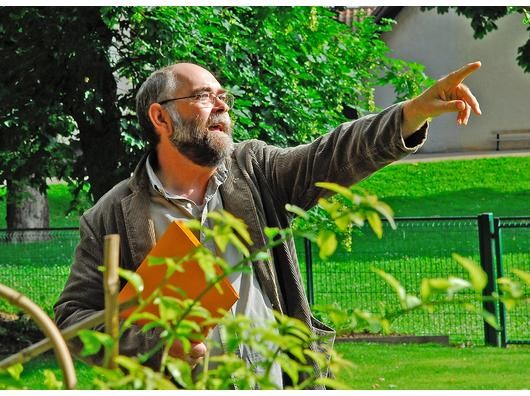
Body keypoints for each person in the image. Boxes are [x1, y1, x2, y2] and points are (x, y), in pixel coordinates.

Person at [54, 61, 482, 388]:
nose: (222, 105)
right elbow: (73, 322)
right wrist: (156, 344)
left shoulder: (254, 170)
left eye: (223, 95)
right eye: (204, 96)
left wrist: (411, 113)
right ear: (161, 119)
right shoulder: (110, 216)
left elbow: (330, 154)